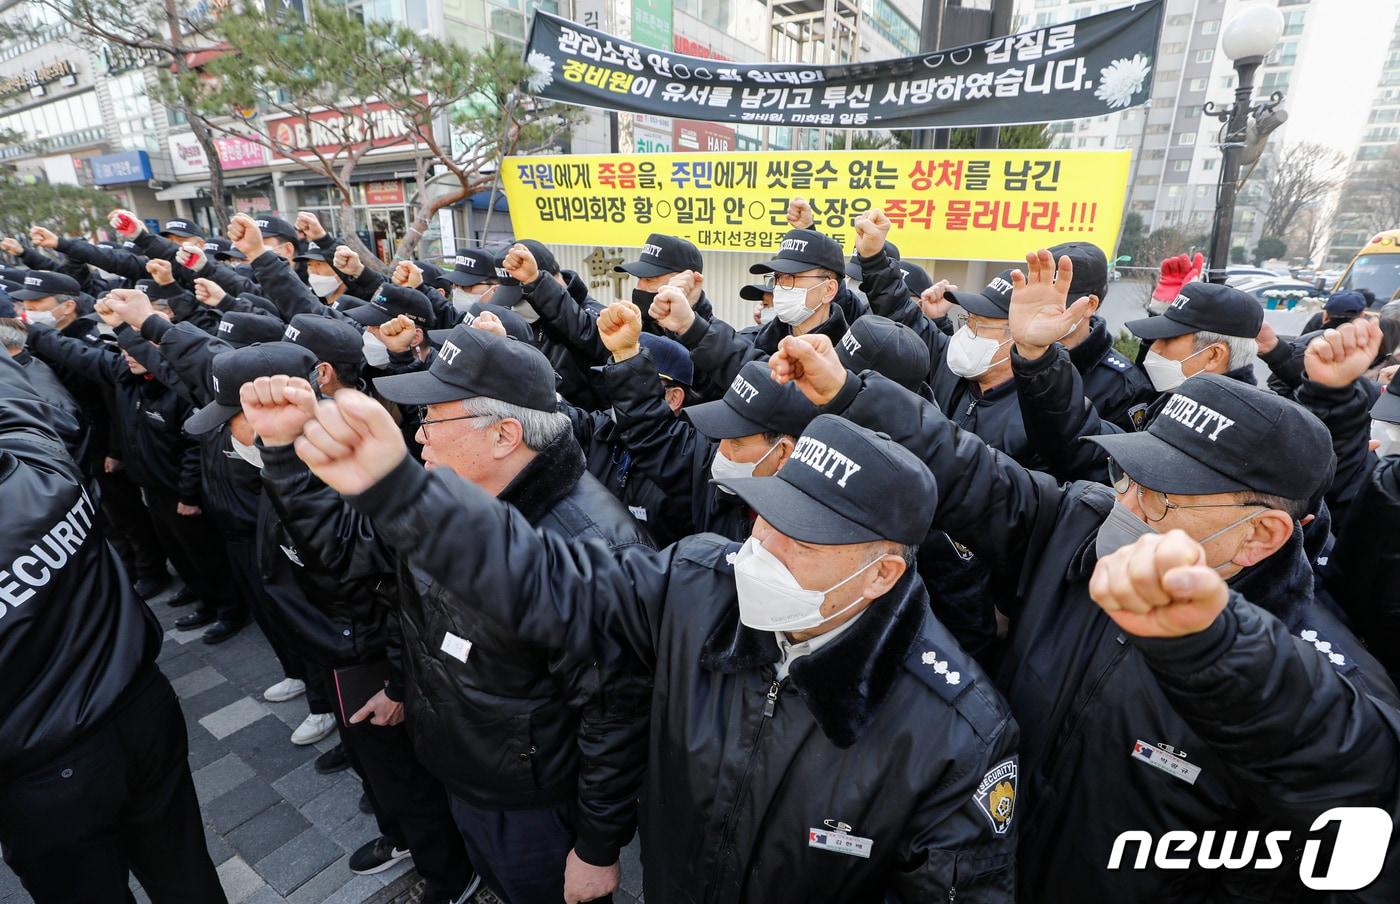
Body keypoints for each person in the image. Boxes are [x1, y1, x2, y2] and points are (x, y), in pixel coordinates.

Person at [772, 258, 1400, 899]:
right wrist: (853, 394)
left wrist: (1210, 649)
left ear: (1261, 534)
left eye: (1163, 497)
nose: (1125, 506)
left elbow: (1358, 793)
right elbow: (970, 472)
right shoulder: (1079, 525)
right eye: (1129, 478)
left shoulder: (1301, 678)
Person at [287, 379, 1020, 901]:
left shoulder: (955, 735)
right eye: (768, 516)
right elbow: (548, 579)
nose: (763, 547)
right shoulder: (702, 582)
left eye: (804, 538)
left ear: (881, 571)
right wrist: (401, 493)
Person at [259, 324, 654, 904]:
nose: (418, 436)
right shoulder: (447, 493)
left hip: (534, 802)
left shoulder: (594, 551)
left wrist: (596, 848)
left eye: (432, 419)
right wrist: (286, 454)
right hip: (460, 764)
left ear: (503, 434)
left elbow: (615, 717)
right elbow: (357, 560)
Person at [0, 351, 226, 903]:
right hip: (139, 709)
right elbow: (33, 402)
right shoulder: (40, 465)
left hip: (43, 772)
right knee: (186, 874)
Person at [1008, 259, 1265, 483]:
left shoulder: (1226, 433)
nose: (1155, 350)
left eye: (1167, 339)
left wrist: (1038, 358)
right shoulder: (1182, 398)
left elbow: (1092, 452)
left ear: (1213, 355)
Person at [599, 301, 818, 541]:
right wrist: (625, 354)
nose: (721, 452)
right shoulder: (710, 474)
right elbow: (652, 433)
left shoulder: (813, 529)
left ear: (783, 451)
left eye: (736, 443)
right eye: (721, 437)